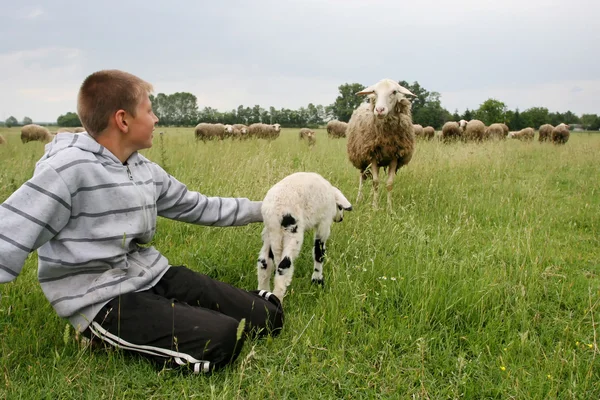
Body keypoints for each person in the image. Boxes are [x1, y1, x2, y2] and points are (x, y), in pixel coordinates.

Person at [0, 69, 283, 373]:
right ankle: (98, 336)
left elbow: (198, 206)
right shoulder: (67, 170)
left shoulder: (142, 168)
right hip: (101, 299)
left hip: (152, 275)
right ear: (123, 120)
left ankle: (185, 313)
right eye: (149, 110)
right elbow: (8, 232)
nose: (156, 118)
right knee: (220, 341)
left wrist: (268, 210)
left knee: (267, 317)